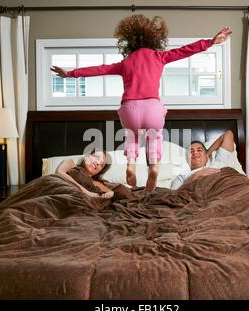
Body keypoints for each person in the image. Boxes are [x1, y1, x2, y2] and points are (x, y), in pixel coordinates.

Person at [51, 15, 232, 192]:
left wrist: (70, 73)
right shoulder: (159, 56)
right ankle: (153, 167)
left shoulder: (126, 62)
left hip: (129, 109)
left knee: (132, 136)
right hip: (151, 108)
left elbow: (100, 69)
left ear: (130, 42)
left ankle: (131, 164)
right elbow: (184, 50)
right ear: (154, 39)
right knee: (155, 136)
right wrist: (210, 42)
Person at [171, 130, 235, 189]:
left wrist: (207, 154)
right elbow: (173, 196)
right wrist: (194, 177)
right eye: (191, 151)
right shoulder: (182, 177)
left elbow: (228, 134)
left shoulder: (218, 163)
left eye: (199, 150)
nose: (195, 152)